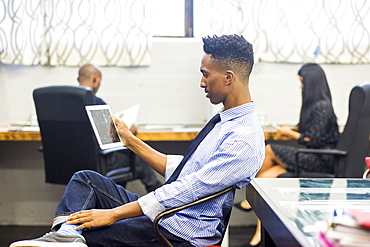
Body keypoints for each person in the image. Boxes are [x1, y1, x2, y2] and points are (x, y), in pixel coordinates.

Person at [10, 34, 265, 247]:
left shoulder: (243, 138)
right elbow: (184, 171)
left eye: (205, 74)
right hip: (168, 215)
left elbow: (188, 189)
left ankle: (68, 237)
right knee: (84, 179)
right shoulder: (226, 123)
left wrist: (112, 214)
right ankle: (67, 236)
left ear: (228, 77)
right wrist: (130, 141)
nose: (201, 82)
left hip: (176, 231)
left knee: (88, 234)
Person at [234, 63, 340, 247]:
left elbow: (312, 140)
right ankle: (259, 234)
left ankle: (249, 201)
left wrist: (289, 133)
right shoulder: (316, 106)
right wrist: (293, 128)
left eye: (302, 82)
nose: (301, 86)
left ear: (311, 83)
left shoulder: (323, 107)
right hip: (313, 156)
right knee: (267, 178)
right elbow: (310, 131)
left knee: (269, 150)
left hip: (320, 160)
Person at [78, 63, 162, 192]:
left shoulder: (67, 104)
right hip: (100, 161)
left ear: (79, 80)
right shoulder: (96, 103)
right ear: (96, 79)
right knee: (137, 152)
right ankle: (159, 194)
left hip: (76, 162)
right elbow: (109, 139)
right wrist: (129, 132)